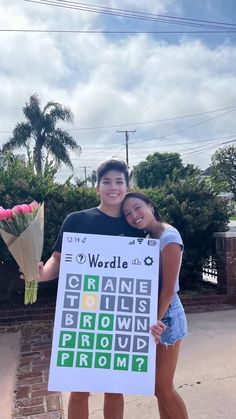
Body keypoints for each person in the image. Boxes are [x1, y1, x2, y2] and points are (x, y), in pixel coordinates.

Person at [23, 160, 164, 419]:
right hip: (83, 313)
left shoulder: (134, 225)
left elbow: (146, 272)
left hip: (122, 315)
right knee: (80, 388)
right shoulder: (77, 220)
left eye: (119, 182)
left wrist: (151, 315)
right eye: (107, 182)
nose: (113, 187)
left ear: (126, 186)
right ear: (97, 186)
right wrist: (40, 274)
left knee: (114, 389)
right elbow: (58, 259)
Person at [122, 191, 189, 419]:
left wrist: (151, 322)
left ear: (150, 205)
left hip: (166, 317)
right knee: (159, 389)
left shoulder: (168, 237)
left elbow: (169, 289)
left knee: (163, 388)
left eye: (137, 208)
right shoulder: (149, 237)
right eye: (128, 213)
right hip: (154, 316)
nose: (134, 215)